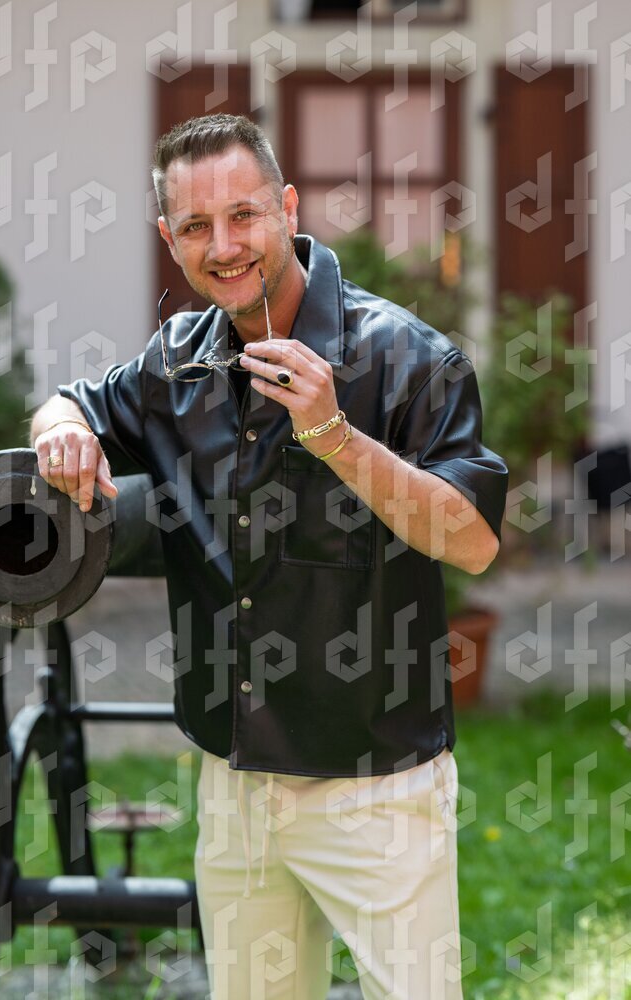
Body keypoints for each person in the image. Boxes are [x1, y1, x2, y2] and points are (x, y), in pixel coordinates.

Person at [30, 114, 507, 1000]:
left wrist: (333, 434)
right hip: (236, 782)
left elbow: (473, 541)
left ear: (287, 209)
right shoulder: (175, 363)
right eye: (197, 225)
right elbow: (72, 402)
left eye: (243, 215)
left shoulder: (408, 357)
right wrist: (60, 430)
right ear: (169, 237)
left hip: (376, 786)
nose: (224, 246)